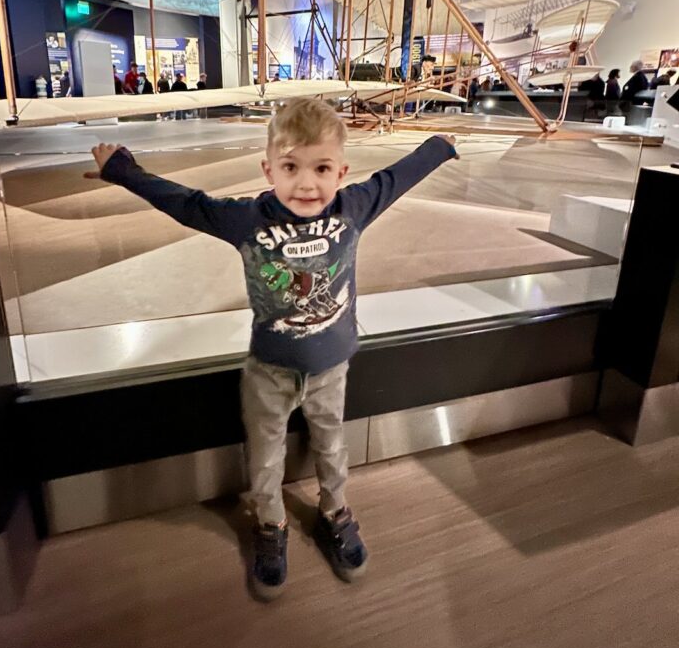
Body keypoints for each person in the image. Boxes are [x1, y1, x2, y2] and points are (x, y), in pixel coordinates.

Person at [85, 99, 457, 599]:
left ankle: (334, 512)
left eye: (322, 168)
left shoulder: (355, 206)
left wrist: (439, 147)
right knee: (264, 459)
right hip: (270, 371)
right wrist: (123, 171)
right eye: (291, 167)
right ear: (269, 169)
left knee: (332, 446)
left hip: (332, 368)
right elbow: (187, 202)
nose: (307, 184)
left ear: (341, 170)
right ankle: (270, 524)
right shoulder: (247, 220)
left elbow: (398, 176)